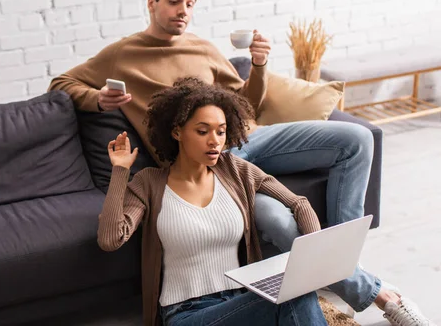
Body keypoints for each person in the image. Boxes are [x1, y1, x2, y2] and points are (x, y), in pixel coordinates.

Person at [50, 0, 434, 325]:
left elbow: (246, 103)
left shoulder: (202, 48)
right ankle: (373, 291)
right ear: (151, 3)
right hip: (210, 167)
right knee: (277, 223)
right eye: (173, 0)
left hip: (241, 142)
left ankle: (345, 265)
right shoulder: (122, 55)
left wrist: (260, 65)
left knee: (357, 138)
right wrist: (98, 100)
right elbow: (62, 83)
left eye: (189, 3)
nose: (183, 10)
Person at [99, 77, 327, 326]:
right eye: (202, 131)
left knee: (297, 289)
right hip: (188, 313)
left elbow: (299, 203)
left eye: (221, 131)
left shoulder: (235, 170)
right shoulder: (149, 183)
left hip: (241, 301)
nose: (214, 141)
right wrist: (120, 170)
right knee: (292, 298)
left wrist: (312, 257)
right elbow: (110, 239)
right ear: (177, 132)